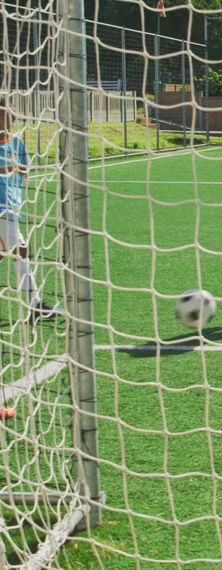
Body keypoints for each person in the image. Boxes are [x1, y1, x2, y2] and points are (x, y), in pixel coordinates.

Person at [0, 97, 62, 418]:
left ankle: (35, 303)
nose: (4, 121)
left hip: (13, 210)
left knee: (19, 253)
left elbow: (24, 170)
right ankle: (36, 304)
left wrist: (17, 177)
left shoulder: (19, 142)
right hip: (1, 214)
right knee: (21, 251)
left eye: (7, 116)